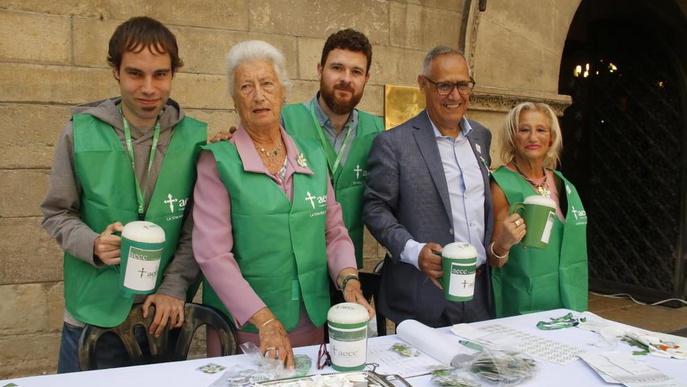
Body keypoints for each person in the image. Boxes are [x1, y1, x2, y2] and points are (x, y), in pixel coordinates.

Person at [192, 40, 374, 368]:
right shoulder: (217, 161)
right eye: (246, 86)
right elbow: (212, 254)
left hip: (311, 319)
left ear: (283, 93)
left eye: (267, 84)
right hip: (248, 328)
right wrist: (264, 320)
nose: (258, 95)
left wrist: (349, 281)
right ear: (233, 98)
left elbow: (334, 232)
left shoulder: (313, 157)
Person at [41, 17, 206, 372]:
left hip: (163, 315)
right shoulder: (79, 133)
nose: (148, 88)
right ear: (116, 71)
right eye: (135, 73)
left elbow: (198, 230)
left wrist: (175, 287)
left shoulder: (196, 140)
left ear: (173, 74)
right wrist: (91, 244)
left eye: (160, 74)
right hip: (94, 316)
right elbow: (57, 213)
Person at [363, 46, 493, 327]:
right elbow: (375, 208)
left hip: (480, 293)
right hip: (424, 295)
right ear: (423, 84)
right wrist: (414, 250)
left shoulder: (481, 136)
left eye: (462, 85)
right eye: (444, 85)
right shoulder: (394, 143)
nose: (455, 95)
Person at [281, 29, 383, 268]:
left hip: (348, 267)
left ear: (366, 78)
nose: (346, 78)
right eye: (337, 68)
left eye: (356, 71)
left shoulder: (378, 131)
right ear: (320, 69)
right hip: (295, 264)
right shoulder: (285, 122)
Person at [488, 102, 588, 317]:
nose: (533, 138)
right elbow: (495, 260)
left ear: (551, 137)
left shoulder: (563, 184)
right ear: (512, 137)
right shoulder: (501, 184)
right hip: (523, 304)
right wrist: (504, 244)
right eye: (524, 130)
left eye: (541, 130)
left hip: (567, 302)